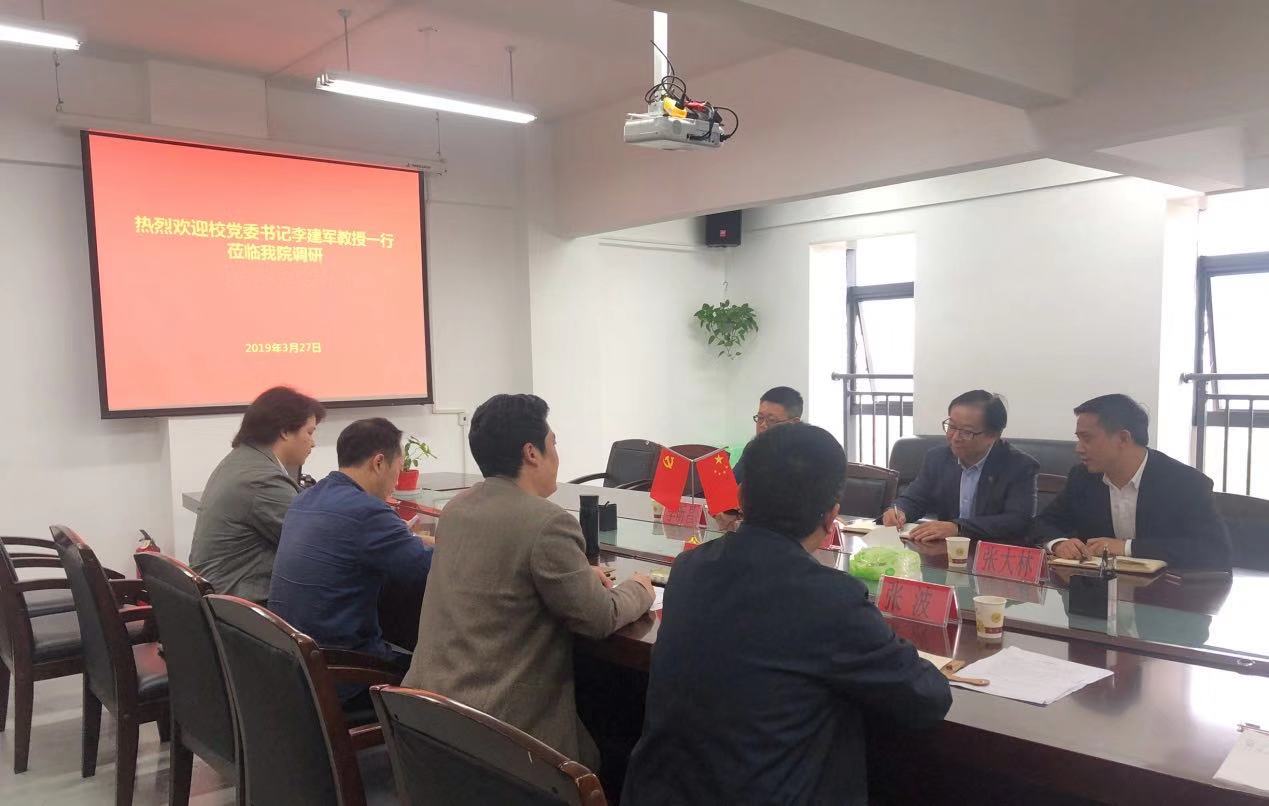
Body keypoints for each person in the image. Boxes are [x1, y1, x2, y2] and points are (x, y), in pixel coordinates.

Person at [622, 423, 952, 806]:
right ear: (831, 517)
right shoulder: (829, 598)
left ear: (741, 497)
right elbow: (926, 699)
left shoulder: (690, 568)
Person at [402, 394, 654, 771]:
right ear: (531, 453)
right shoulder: (548, 522)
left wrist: (578, 573)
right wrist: (640, 588)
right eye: (554, 442)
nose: (557, 454)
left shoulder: (457, 509)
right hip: (503, 735)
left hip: (430, 713)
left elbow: (503, 570)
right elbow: (599, 617)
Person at [268, 418, 434, 687]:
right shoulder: (368, 512)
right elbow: (428, 572)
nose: (396, 481)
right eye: (398, 469)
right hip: (342, 672)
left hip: (296, 667)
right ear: (378, 462)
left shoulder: (306, 498)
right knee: (440, 671)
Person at [1033, 394, 1231, 570]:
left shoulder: (1185, 483)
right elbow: (1042, 523)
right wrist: (1058, 543)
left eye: (1087, 439)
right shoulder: (1083, 477)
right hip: (1095, 591)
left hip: (1165, 593)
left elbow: (1214, 550)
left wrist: (1126, 547)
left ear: (1123, 438)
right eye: (1078, 439)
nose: (1079, 448)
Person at [190, 386, 325, 602]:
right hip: (241, 607)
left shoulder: (242, 460)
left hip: (220, 595)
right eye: (309, 432)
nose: (313, 442)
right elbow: (318, 543)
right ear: (285, 431)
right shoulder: (262, 479)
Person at [882, 390, 1038, 542]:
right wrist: (898, 510)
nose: (955, 437)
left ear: (993, 435)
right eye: (952, 426)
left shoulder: (1020, 466)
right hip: (945, 552)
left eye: (967, 432)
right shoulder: (938, 458)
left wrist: (958, 527)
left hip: (992, 552)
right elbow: (915, 498)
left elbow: (1017, 521)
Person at [717, 385, 803, 530]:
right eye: (760, 418)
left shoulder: (806, 457)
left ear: (794, 423)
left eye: (772, 420)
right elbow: (730, 488)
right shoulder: (753, 448)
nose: (763, 425)